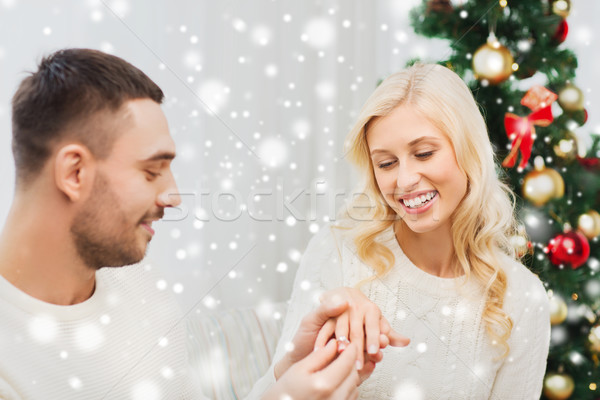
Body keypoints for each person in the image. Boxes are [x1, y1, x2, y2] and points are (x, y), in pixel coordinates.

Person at [0, 48, 398, 399]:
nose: (173, 196)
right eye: (151, 171)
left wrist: (289, 367)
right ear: (74, 173)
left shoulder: (137, 282)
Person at [250, 63, 551, 399]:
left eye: (423, 154)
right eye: (386, 163)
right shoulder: (336, 253)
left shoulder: (522, 298)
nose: (404, 180)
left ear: (469, 153)